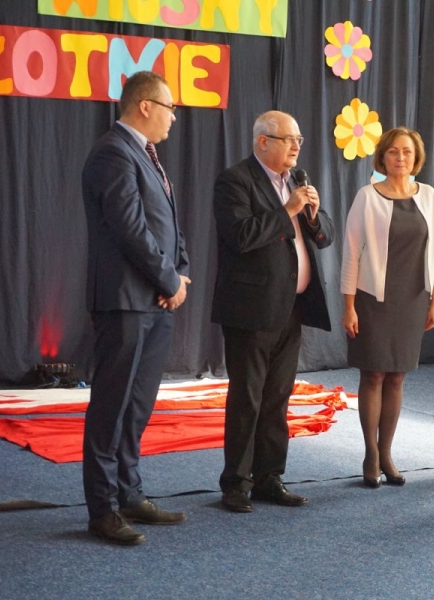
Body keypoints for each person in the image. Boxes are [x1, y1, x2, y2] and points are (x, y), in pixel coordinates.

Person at [81, 71, 191, 546]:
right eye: (170, 108)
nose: (173, 118)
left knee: (138, 405)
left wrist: (180, 273)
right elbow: (130, 228)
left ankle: (129, 494)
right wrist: (168, 280)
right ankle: (103, 509)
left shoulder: (147, 155)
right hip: (125, 301)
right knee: (112, 406)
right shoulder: (113, 152)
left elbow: (169, 225)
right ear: (145, 106)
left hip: (155, 300)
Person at [212, 111, 333, 513]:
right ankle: (236, 483)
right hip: (250, 309)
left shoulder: (296, 182)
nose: (296, 146)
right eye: (288, 139)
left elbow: (325, 235)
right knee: (247, 397)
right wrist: (288, 210)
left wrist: (311, 215)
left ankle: (269, 478)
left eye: (299, 139)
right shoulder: (235, 181)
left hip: (292, 307)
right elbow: (240, 235)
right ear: (263, 142)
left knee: (278, 397)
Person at [340, 127, 434, 488]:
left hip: (412, 298)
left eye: (407, 152)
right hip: (372, 298)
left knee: (397, 376)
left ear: (417, 158)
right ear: (382, 157)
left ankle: (387, 453)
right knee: (373, 375)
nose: (401, 158)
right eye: (394, 152)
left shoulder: (429, 195)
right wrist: (349, 307)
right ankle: (370, 454)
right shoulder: (367, 197)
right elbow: (351, 254)